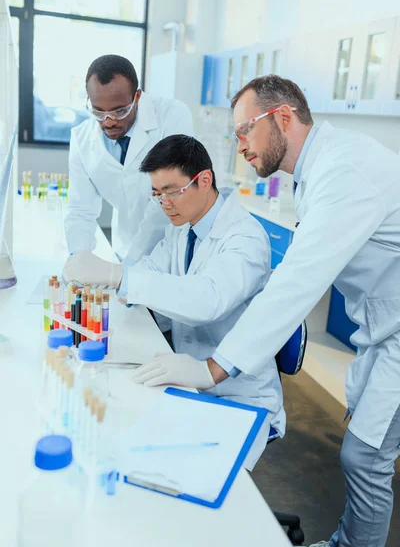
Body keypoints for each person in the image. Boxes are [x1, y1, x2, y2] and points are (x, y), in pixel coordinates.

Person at [111, 75, 400, 547]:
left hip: (394, 333)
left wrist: (214, 368)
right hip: (383, 327)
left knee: (366, 459)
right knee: (363, 451)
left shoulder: (345, 170)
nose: (238, 144)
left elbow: (296, 284)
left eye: (245, 130)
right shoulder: (320, 169)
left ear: (282, 117)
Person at [63, 134, 285, 470]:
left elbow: (206, 300)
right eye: (157, 193)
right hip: (188, 375)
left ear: (204, 180)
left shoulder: (245, 239)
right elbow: (152, 268)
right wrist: (109, 281)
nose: (164, 202)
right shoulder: (183, 227)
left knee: (178, 476)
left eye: (171, 191)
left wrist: (118, 277)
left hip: (237, 395)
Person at [64, 54, 193, 261]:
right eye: (98, 111)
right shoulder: (81, 139)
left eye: (120, 111)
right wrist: (79, 258)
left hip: (172, 247)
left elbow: (166, 200)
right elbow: (81, 209)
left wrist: (130, 268)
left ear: (137, 97)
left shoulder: (172, 117)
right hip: (123, 245)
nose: (109, 121)